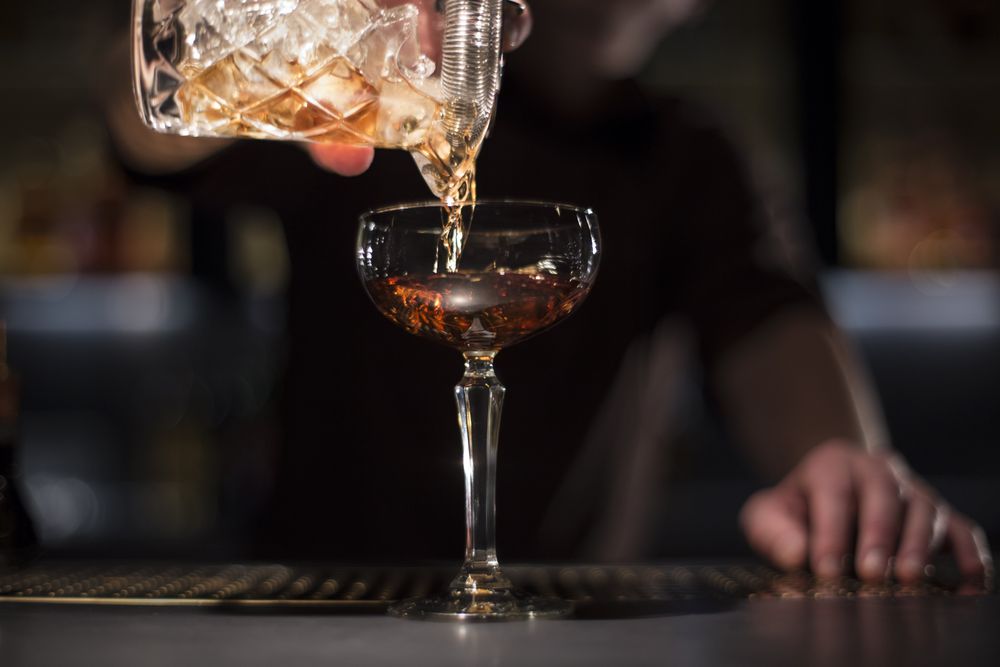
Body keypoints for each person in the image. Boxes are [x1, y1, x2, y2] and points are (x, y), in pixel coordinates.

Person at [108, 0, 991, 583]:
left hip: (569, 619)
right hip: (317, 606)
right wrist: (255, 28)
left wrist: (840, 463)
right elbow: (139, 121)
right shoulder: (384, 95)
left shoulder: (688, 159)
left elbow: (772, 324)